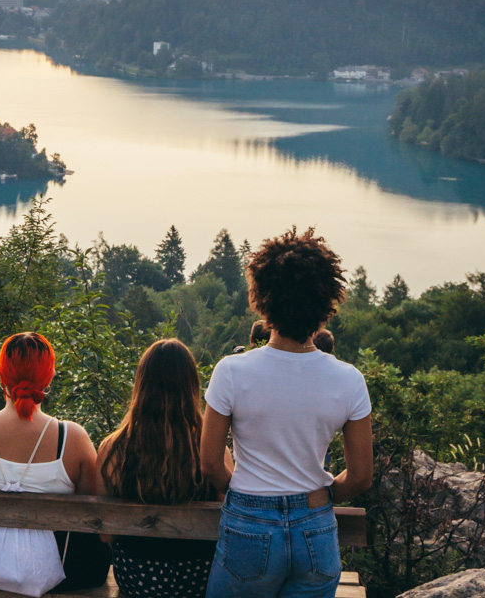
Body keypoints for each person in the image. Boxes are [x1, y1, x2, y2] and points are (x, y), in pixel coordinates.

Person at [200, 228, 374, 598]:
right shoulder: (349, 380)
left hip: (248, 524)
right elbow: (360, 477)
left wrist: (247, 496)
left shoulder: (231, 372)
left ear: (262, 300)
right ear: (327, 303)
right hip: (316, 529)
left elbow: (210, 464)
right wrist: (321, 497)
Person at [0, 332, 110, 593]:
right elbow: (88, 513)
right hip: (62, 572)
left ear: (1, 375)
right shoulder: (73, 438)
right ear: (49, 377)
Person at [97, 339, 233, 598]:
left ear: (142, 385)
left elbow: (105, 534)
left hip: (136, 575)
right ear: (191, 387)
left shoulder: (113, 450)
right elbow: (225, 526)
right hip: (197, 576)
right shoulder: (213, 452)